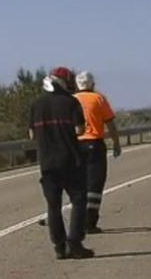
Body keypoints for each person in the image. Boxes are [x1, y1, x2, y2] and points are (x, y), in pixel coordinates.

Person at [28, 67, 94, 260]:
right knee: (79, 200)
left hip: (47, 163)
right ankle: (75, 242)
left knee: (53, 206)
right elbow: (80, 130)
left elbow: (31, 134)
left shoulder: (36, 105)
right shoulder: (71, 102)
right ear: (64, 82)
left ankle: (59, 246)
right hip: (70, 159)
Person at [74, 71, 121, 234]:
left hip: (76, 146)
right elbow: (110, 123)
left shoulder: (72, 100)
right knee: (95, 185)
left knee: (79, 185)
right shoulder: (98, 99)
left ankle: (77, 221)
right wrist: (116, 143)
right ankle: (90, 222)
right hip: (94, 144)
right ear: (92, 84)